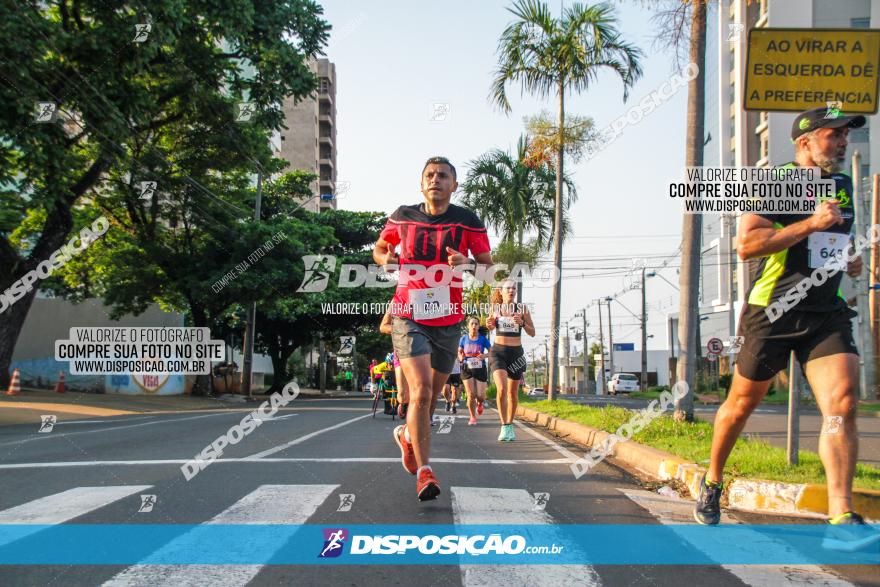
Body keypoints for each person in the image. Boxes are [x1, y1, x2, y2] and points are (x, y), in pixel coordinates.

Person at [694, 106, 878, 551]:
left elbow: (833, 239)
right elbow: (747, 244)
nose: (841, 142)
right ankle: (713, 478)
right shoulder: (776, 182)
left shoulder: (843, 185)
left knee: (843, 401)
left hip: (824, 312)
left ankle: (840, 516)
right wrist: (811, 223)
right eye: (833, 135)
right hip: (773, 310)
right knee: (739, 406)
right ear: (805, 143)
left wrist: (847, 255)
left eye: (844, 135)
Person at [373, 156, 492, 501]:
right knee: (421, 391)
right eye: (429, 175)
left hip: (448, 317)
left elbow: (489, 271)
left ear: (454, 185)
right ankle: (425, 472)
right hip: (408, 313)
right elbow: (380, 247)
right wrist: (386, 260)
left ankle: (408, 437)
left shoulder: (467, 221)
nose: (435, 179)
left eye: (443, 175)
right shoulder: (403, 215)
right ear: (421, 183)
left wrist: (467, 263)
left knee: (432, 399)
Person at [486, 279, 535, 441]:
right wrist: (490, 324)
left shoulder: (522, 309)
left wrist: (522, 323)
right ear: (501, 291)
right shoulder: (495, 309)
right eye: (508, 288)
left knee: (513, 393)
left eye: (513, 288)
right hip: (498, 352)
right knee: (501, 389)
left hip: (516, 353)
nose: (511, 291)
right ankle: (504, 426)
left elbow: (532, 332)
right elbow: (491, 326)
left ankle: (510, 423)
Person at [459, 316, 492, 426]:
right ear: (468, 326)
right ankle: (472, 417)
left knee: (480, 396)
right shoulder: (463, 338)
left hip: (480, 368)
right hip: (467, 368)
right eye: (472, 323)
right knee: (471, 394)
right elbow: (459, 351)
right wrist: (460, 357)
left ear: (478, 326)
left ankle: (480, 403)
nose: (474, 326)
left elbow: (492, 352)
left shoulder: (482, 339)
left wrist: (485, 355)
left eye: (476, 324)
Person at [380, 309, 408, 418]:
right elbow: (383, 327)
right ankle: (403, 405)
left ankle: (413, 429)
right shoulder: (397, 301)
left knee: (421, 392)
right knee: (402, 396)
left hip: (423, 350)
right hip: (401, 351)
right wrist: (404, 329)